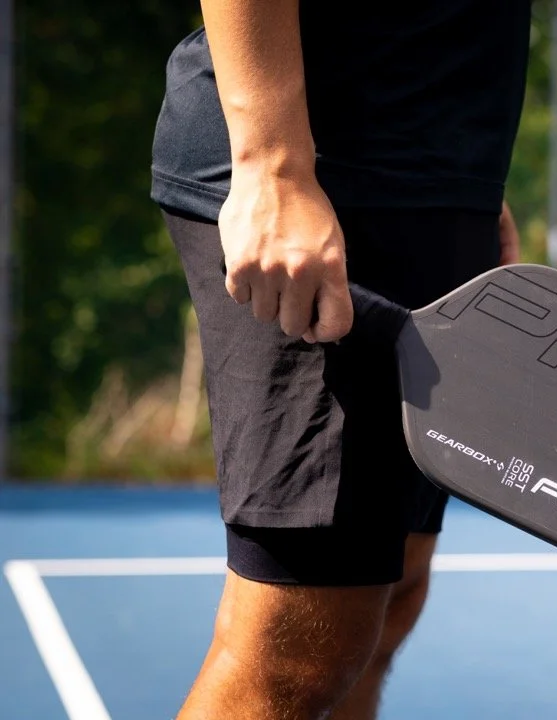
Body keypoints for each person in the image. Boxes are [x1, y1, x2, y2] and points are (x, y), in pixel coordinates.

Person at [149, 1, 531, 717]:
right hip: (325, 177)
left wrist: (469, 187)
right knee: (296, 650)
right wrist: (273, 164)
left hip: (434, 186)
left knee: (390, 598)